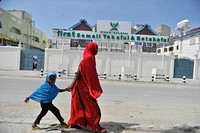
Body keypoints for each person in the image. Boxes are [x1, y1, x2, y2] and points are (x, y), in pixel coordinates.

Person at [67, 42, 107, 133]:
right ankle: (94, 126)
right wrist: (72, 84)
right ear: (92, 49)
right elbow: (79, 71)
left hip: (83, 86)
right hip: (83, 87)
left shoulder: (90, 58)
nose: (97, 50)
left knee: (80, 105)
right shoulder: (88, 58)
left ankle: (76, 122)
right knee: (92, 107)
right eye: (96, 49)